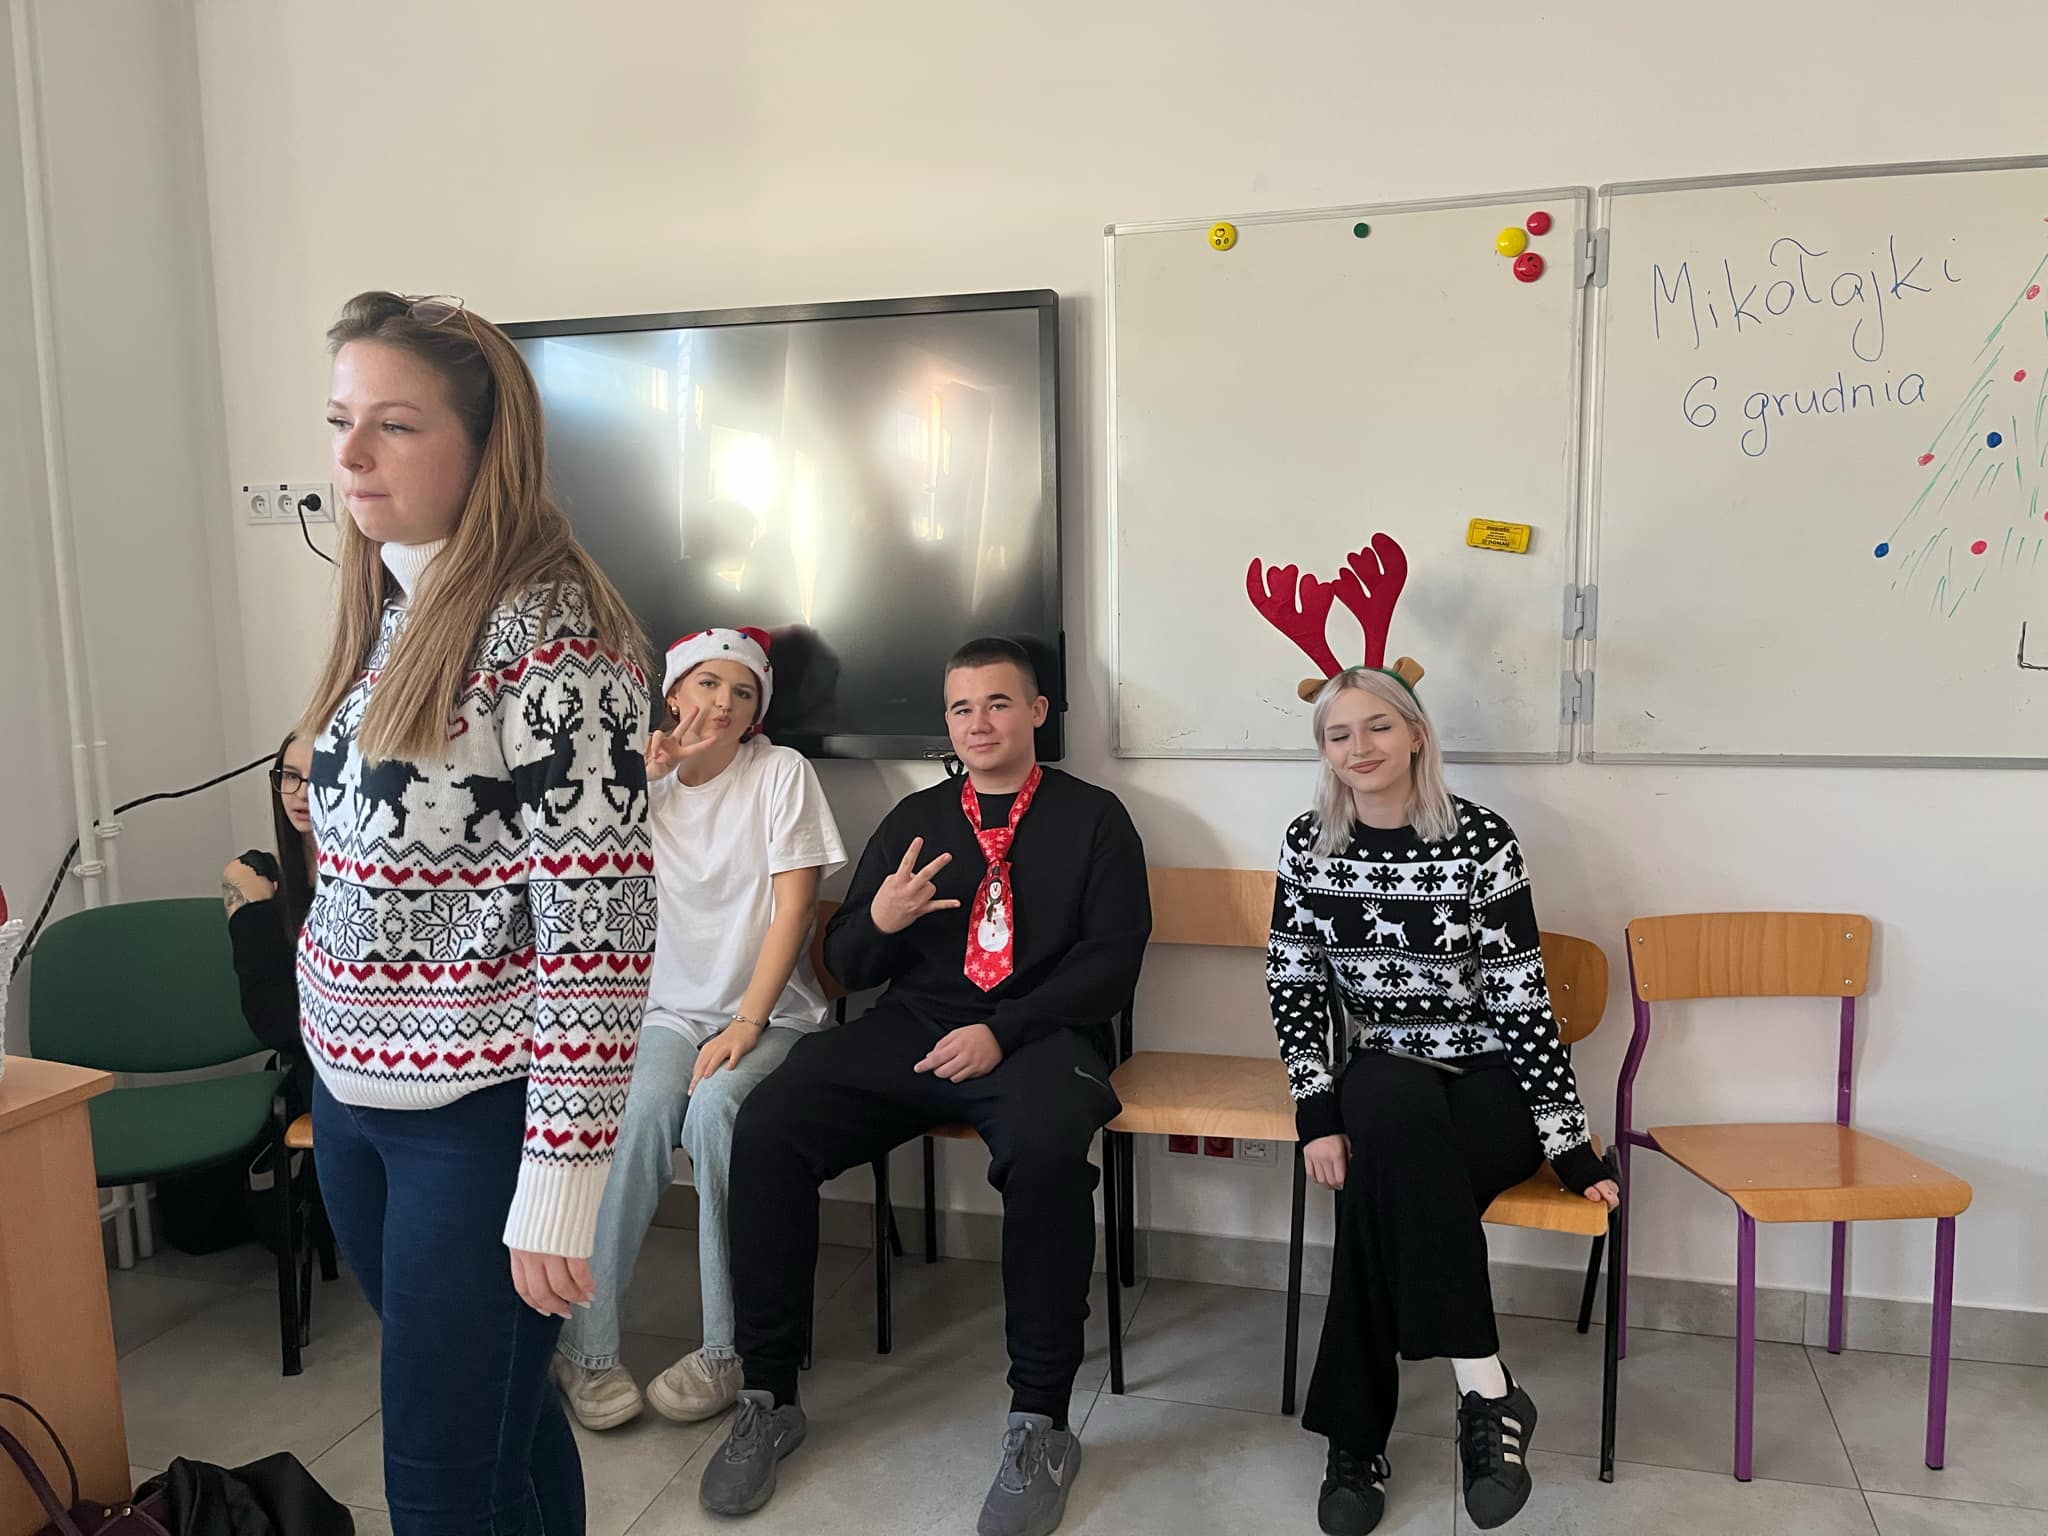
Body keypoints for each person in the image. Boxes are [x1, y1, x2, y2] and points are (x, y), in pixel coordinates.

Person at [294, 292, 653, 1536]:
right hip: (355, 1099)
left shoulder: (556, 636)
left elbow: (599, 925)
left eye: (392, 425)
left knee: (442, 1489)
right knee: (504, 1428)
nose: (350, 455)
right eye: (340, 420)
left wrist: (562, 1174)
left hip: (475, 1118)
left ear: (485, 448)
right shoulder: (394, 606)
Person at [700, 637, 1149, 1536]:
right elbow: (845, 966)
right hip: (915, 1026)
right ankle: (766, 1395)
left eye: (997, 703)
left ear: (1037, 712)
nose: (978, 723)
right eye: (960, 708)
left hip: (1039, 1036)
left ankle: (1040, 1423)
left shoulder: (1095, 818)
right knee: (771, 1121)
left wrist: (1003, 1031)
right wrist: (879, 918)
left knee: (1048, 1156)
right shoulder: (916, 816)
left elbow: (1111, 965)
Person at [1267, 664, 1619, 1536]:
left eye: (1378, 726)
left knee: (1380, 1187)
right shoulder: (1309, 842)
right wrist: (1317, 1114)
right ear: (1324, 750)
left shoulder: (1481, 839)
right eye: (1339, 734)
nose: (1359, 747)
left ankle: (1355, 1445)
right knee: (1390, 1107)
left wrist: (1569, 1147)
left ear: (1417, 734)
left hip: (1489, 1083)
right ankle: (1487, 1388)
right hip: (1386, 1071)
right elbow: (1294, 985)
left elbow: (1522, 999)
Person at [552, 625, 845, 1430]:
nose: (723, 704)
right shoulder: (636, 783)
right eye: (709, 684)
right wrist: (641, 785)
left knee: (717, 1115)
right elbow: (579, 886)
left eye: (743, 693)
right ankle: (585, 1351)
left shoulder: (781, 773)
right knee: (638, 1113)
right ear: (674, 692)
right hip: (669, 1012)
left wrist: (747, 1021)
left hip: (774, 1014)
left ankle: (729, 1350)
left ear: (757, 713)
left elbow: (795, 909)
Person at [222, 733, 318, 1112]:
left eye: (317, 777)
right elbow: (270, 1017)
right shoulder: (252, 876)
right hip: (320, 1065)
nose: (300, 794)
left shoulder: (379, 877)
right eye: (290, 776)